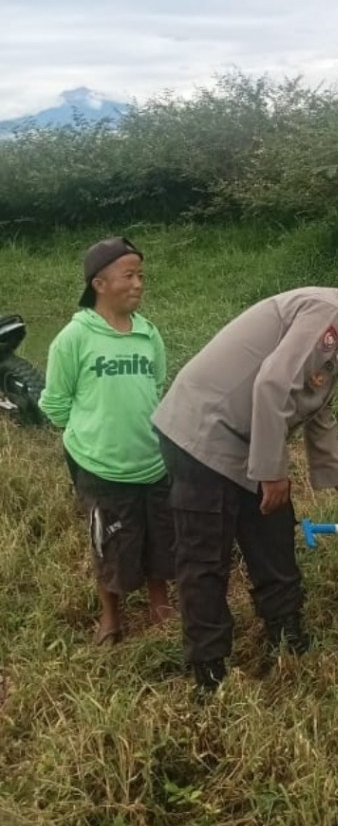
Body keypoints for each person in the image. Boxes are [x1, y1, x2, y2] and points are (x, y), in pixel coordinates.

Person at [152, 267, 338, 694]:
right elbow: (273, 385)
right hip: (203, 435)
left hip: (245, 437)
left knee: (272, 533)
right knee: (205, 557)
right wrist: (272, 472)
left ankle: (286, 637)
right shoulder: (327, 312)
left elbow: (316, 406)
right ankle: (209, 671)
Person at [39, 236, 175, 645]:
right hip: (101, 467)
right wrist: (93, 434)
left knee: (159, 534)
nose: (138, 284)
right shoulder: (74, 338)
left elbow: (156, 385)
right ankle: (111, 615)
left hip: (152, 461)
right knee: (110, 540)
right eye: (128, 276)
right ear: (99, 284)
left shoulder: (148, 334)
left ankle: (160, 602)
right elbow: (55, 404)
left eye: (141, 276)